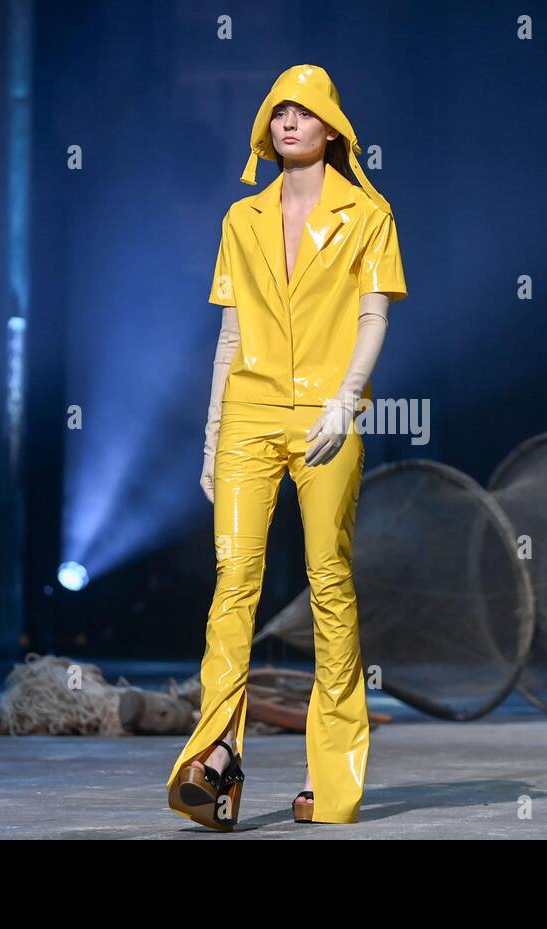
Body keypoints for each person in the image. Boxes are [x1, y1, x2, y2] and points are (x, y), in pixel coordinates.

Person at [165, 64, 408, 830]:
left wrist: (346, 397)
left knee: (328, 580)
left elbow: (375, 317)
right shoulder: (242, 219)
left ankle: (330, 776)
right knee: (233, 577)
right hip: (248, 411)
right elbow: (229, 333)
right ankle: (214, 756)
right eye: (278, 112)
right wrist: (210, 435)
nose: (289, 122)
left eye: (305, 112)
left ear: (333, 128)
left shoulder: (368, 216)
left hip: (326, 418)